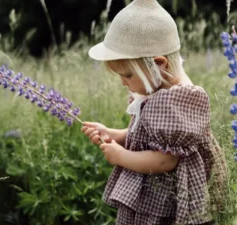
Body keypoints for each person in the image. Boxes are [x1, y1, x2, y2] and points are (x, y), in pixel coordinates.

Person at [81, 0, 227, 224]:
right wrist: (114, 134)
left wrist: (121, 157)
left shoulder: (175, 101)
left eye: (128, 75)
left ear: (159, 64)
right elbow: (145, 136)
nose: (123, 83)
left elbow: (165, 161)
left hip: (167, 202)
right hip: (152, 192)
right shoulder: (155, 87)